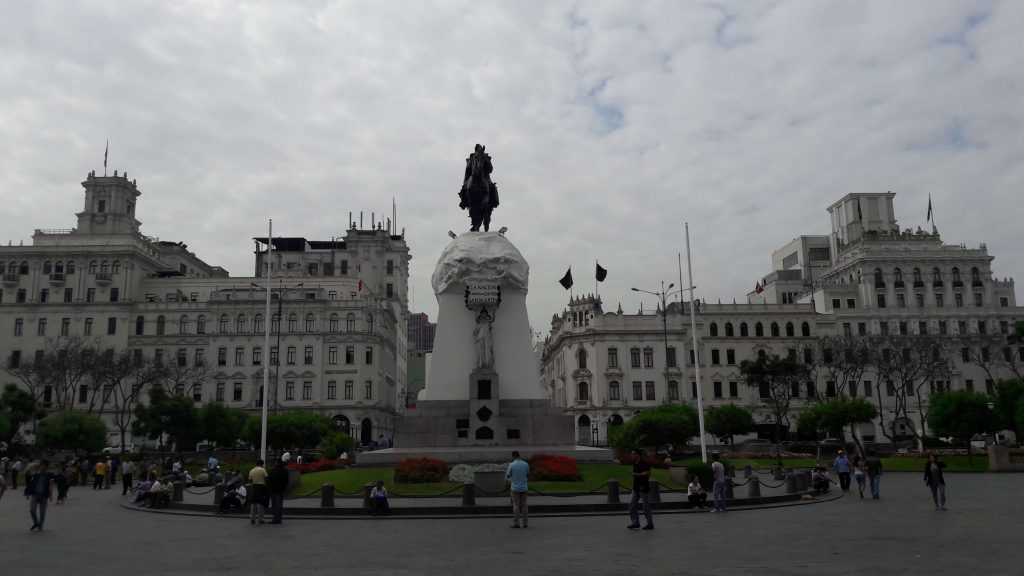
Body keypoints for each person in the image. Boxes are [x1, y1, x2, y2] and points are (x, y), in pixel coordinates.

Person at [626, 449, 653, 530]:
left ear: (638, 454)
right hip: (636, 488)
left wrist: (637, 474)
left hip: (643, 488)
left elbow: (648, 472)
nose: (632, 455)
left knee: (646, 506)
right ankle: (635, 523)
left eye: (633, 454)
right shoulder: (635, 463)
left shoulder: (644, 462)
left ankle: (650, 524)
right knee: (632, 504)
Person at [26, 460, 56, 531]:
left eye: (43, 465)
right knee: (32, 509)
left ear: (46, 466)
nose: (42, 467)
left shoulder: (49, 475)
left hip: (44, 495)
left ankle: (40, 525)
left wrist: (51, 495)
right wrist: (28, 494)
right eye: (41, 465)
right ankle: (36, 522)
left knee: (42, 511)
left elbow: (51, 485)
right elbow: (31, 484)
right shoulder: (36, 474)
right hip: (35, 494)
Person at [506, 450, 530, 528]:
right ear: (519, 455)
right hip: (524, 487)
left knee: (516, 505)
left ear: (513, 456)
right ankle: (525, 523)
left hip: (515, 488)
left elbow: (508, 475)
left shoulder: (512, 465)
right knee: (524, 505)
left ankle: (517, 523)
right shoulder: (525, 464)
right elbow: (528, 474)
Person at [268, 457, 289, 524]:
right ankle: (279, 518)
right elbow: (287, 481)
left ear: (277, 463)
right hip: (281, 490)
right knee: (280, 505)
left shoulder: (274, 471)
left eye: (275, 462)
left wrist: (270, 489)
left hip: (275, 491)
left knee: (275, 505)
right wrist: (284, 488)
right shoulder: (285, 470)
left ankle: (276, 519)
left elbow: (270, 481)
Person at [248, 459, 269, 525]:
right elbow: (267, 478)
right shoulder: (262, 470)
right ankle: (260, 519)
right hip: (261, 488)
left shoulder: (251, 471)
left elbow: (249, 481)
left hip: (254, 487)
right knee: (261, 504)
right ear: (261, 464)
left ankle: (252, 519)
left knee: (253, 504)